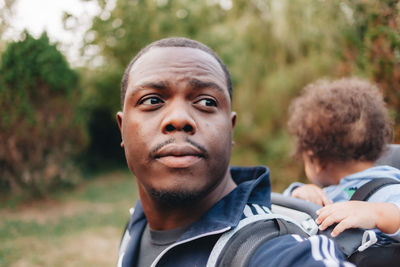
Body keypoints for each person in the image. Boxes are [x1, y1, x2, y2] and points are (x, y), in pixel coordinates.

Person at [116, 37, 352, 267]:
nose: (179, 119)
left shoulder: (270, 248)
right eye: (152, 100)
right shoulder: (137, 223)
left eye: (207, 102)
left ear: (231, 129)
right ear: (122, 128)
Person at [284, 78, 400, 243]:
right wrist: (297, 193)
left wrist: (377, 214)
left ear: (315, 161)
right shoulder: (326, 193)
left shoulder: (387, 192)